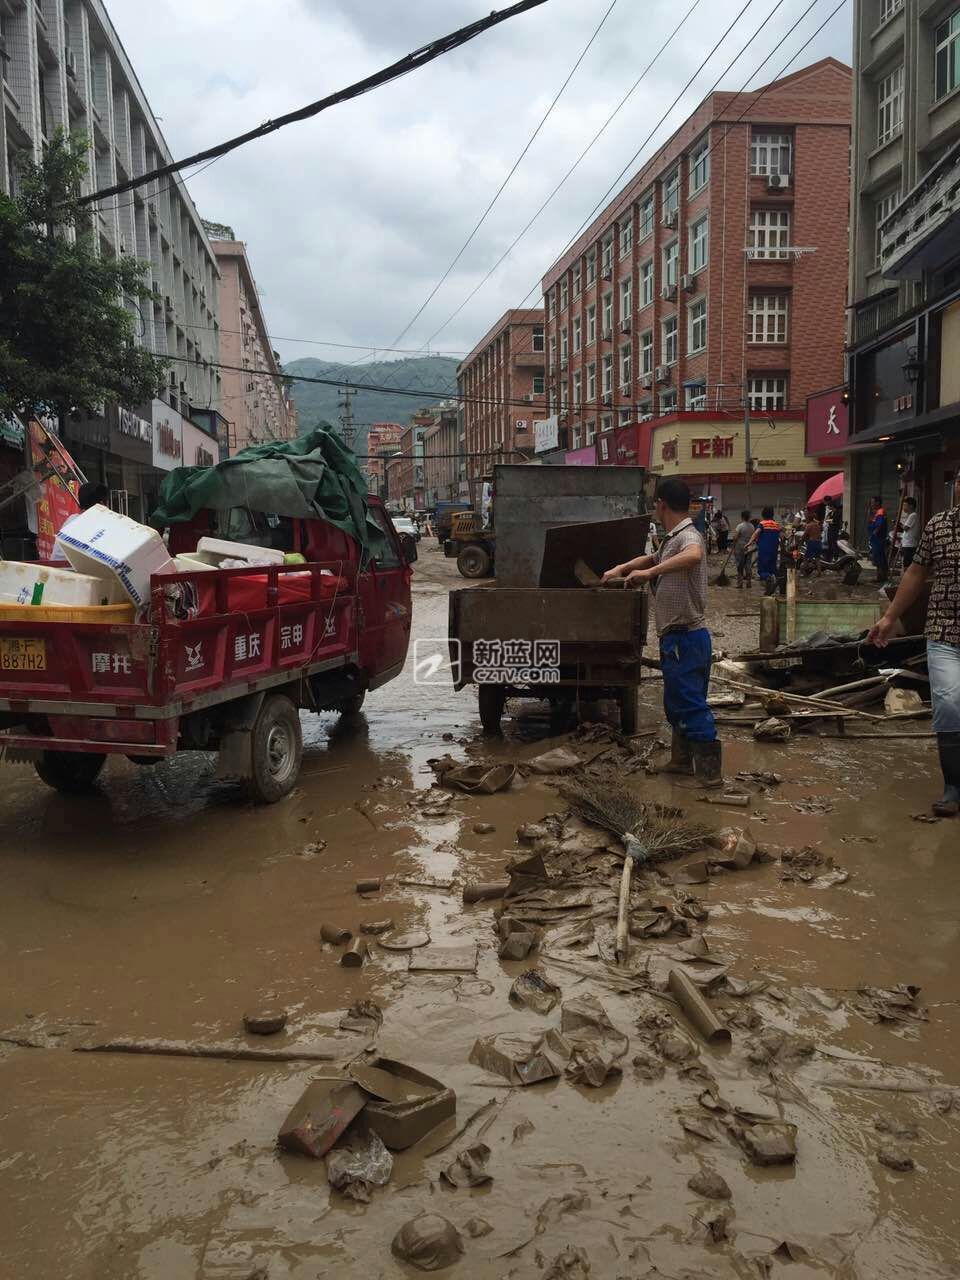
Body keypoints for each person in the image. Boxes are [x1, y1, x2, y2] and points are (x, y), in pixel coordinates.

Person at [602, 477, 722, 786]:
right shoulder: (673, 538)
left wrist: (650, 573)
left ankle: (711, 776)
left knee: (690, 703)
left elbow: (693, 556)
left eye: (655, 503)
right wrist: (622, 569)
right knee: (675, 702)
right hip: (677, 638)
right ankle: (681, 761)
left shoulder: (689, 537)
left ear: (661, 504)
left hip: (687, 636)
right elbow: (652, 558)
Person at [867, 476, 960, 818]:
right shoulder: (938, 525)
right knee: (949, 704)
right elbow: (915, 574)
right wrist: (890, 618)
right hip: (943, 630)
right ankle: (953, 787)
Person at [52, 481, 108, 561]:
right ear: (102, 504)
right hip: (68, 570)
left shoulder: (73, 519)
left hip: (59, 569)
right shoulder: (91, 523)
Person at [746, 506, 781, 586]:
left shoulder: (762, 524)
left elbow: (756, 533)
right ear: (772, 514)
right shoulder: (776, 525)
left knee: (763, 568)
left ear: (763, 514)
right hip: (774, 550)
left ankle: (768, 579)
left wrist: (749, 543)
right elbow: (781, 536)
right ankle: (775, 580)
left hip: (764, 550)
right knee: (772, 567)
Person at [868, 496, 889, 582]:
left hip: (878, 539)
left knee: (879, 557)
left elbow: (879, 524)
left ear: (877, 503)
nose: (871, 504)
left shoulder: (880, 512)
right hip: (875, 539)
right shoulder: (876, 512)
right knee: (877, 557)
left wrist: (875, 531)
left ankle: (881, 577)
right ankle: (881, 576)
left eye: (872, 502)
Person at [733, 509, 754, 589]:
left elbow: (735, 537)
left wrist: (734, 542)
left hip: (740, 547)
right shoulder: (752, 526)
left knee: (740, 565)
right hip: (749, 547)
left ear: (742, 517)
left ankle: (740, 584)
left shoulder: (740, 526)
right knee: (748, 564)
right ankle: (749, 583)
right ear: (749, 517)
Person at [898, 496, 920, 569]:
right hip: (907, 544)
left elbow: (905, 528)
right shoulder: (910, 515)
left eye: (905, 505)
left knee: (907, 565)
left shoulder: (913, 515)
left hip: (910, 544)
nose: (904, 507)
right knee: (906, 564)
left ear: (911, 506)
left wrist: (899, 523)